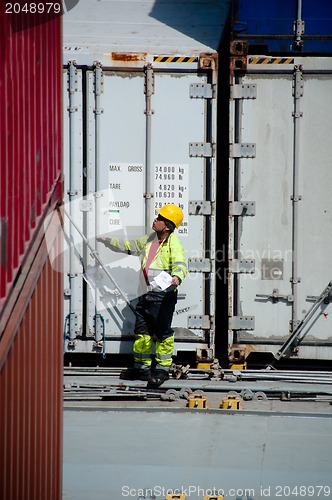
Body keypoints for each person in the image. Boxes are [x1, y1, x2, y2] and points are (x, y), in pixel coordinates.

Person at [96, 204, 187, 387]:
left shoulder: (173, 244)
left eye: (159, 218)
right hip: (145, 294)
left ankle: (162, 369)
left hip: (162, 297)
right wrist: (107, 241)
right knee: (142, 332)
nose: (155, 220)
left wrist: (177, 277)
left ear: (167, 226)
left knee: (162, 333)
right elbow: (129, 246)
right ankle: (142, 368)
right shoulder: (150, 239)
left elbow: (180, 264)